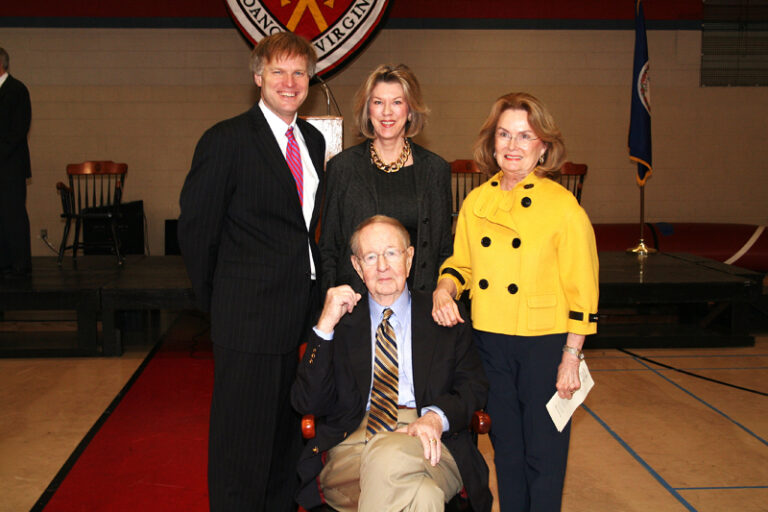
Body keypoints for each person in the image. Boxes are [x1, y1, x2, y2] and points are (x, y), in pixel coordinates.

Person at [177, 32, 325, 512]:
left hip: (301, 316)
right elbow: (197, 231)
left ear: (311, 80)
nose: (289, 82)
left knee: (287, 439)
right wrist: (220, 302)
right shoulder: (226, 140)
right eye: (278, 72)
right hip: (247, 318)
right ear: (258, 76)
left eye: (299, 72)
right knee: (241, 446)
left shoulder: (314, 140)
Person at [432, 92, 599, 511]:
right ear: (491, 142)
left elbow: (584, 290)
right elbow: (461, 265)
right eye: (504, 134)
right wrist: (443, 287)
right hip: (489, 340)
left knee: (544, 453)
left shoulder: (564, 208)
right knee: (506, 450)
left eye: (525, 136)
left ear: (543, 145)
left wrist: (570, 356)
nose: (512, 145)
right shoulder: (476, 202)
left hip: (545, 344)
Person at [293, 215, 492, 512]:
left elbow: (474, 388)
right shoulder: (342, 322)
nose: (382, 266)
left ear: (409, 258)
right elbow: (307, 401)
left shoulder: (443, 315)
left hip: (432, 441)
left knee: (387, 460)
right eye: (371, 257)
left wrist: (437, 417)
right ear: (357, 266)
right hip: (353, 445)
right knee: (423, 496)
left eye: (391, 253)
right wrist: (324, 325)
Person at [319, 64, 452, 295]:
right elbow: (329, 248)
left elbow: (443, 251)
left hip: (418, 304)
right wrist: (330, 305)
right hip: (355, 306)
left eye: (397, 102)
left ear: (410, 111)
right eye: (378, 102)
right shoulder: (342, 168)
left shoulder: (435, 170)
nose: (387, 112)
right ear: (367, 111)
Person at [0, 47, 32, 279]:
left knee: (13, 213)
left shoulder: (17, 90)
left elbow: (18, 130)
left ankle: (20, 263)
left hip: (10, 164)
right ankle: (3, 261)